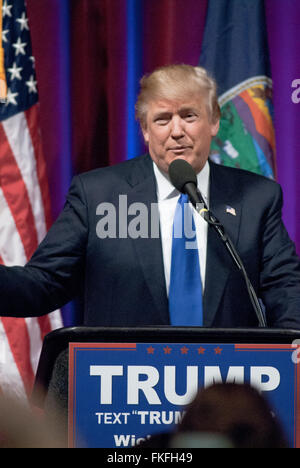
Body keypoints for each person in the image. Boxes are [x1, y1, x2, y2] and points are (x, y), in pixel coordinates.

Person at [0, 64, 300, 327]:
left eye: (189, 115)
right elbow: (43, 284)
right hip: (125, 383)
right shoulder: (98, 196)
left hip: (224, 384)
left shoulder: (256, 197)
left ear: (214, 122)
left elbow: (286, 288)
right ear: (145, 130)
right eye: (162, 119)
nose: (177, 130)